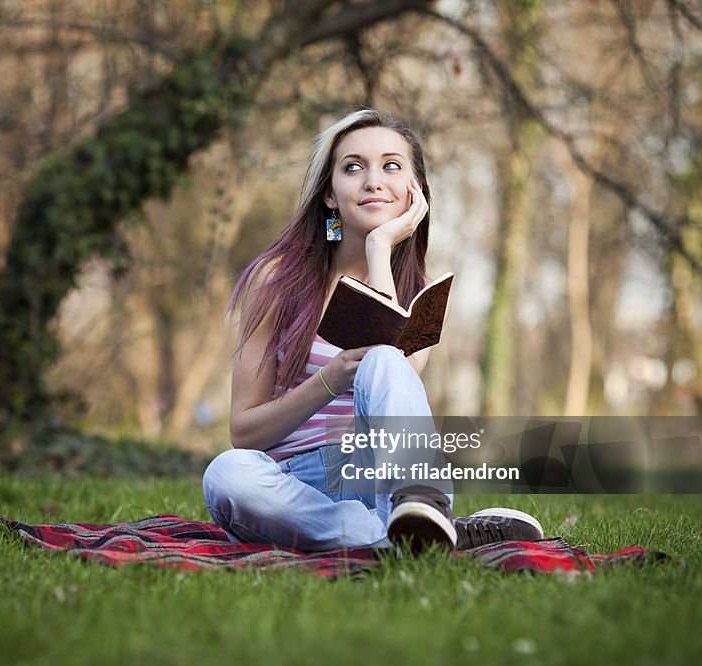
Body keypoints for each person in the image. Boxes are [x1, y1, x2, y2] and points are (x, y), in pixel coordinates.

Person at [202, 109, 543, 554]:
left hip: (382, 476)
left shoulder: (419, 296)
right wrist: (331, 379)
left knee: (385, 357)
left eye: (391, 166)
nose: (373, 180)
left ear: (413, 192)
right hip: (292, 485)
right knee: (226, 474)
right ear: (329, 194)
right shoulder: (276, 280)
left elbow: (397, 378)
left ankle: (417, 509)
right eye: (353, 167)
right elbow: (244, 433)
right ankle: (429, 535)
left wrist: (380, 246)